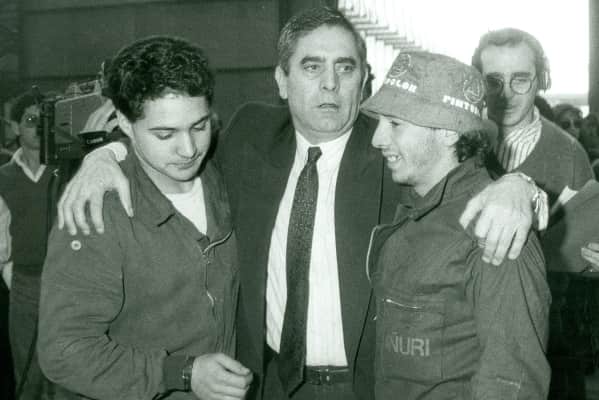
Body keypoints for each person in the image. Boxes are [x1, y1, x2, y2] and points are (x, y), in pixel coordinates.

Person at [56, 8, 545, 400]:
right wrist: (108, 154)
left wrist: (521, 187)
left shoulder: (396, 155)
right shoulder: (247, 136)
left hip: (362, 388)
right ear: (281, 79)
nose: (330, 84)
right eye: (312, 67)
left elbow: (463, 177)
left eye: (345, 68)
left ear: (364, 80)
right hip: (262, 381)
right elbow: (171, 141)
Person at [37, 36, 251, 400]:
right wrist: (180, 373)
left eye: (199, 126)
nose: (189, 150)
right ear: (123, 120)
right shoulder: (97, 210)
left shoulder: (225, 175)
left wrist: (109, 150)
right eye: (165, 134)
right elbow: (64, 351)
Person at [362, 50, 550, 399]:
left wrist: (521, 187)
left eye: (395, 124)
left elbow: (511, 382)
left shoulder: (494, 227)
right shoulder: (415, 206)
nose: (377, 139)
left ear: (449, 132)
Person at [472, 27, 595, 399]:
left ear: (542, 79)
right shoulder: (459, 145)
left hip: (549, 343)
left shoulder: (569, 154)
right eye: (493, 81)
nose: (506, 94)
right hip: (467, 339)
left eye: (520, 79)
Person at [0, 92, 56, 400]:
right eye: (31, 120)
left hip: (68, 282)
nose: (38, 127)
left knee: (66, 368)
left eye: (44, 120)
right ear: (15, 127)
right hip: (25, 284)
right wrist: (15, 280)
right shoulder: (3, 177)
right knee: (27, 372)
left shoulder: (68, 170)